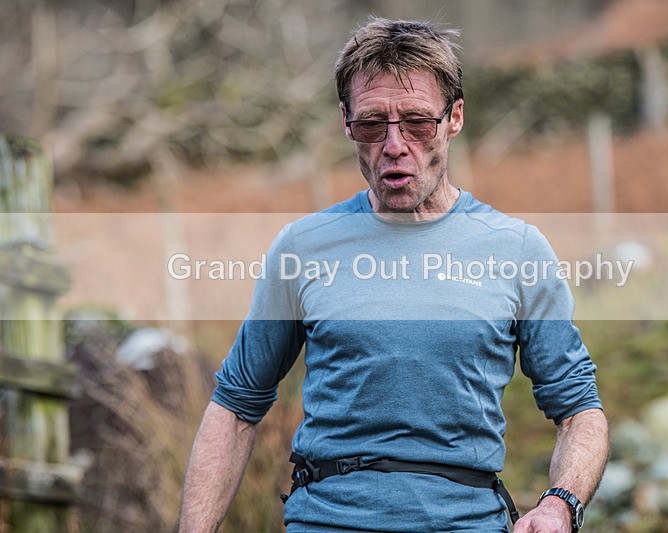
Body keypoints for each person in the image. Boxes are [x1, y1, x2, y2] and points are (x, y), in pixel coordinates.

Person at [178, 17, 609, 533]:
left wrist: (560, 504)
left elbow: (579, 409)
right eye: (372, 124)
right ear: (346, 123)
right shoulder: (303, 247)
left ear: (454, 119)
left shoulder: (516, 249)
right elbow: (235, 406)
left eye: (417, 122)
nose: (394, 144)